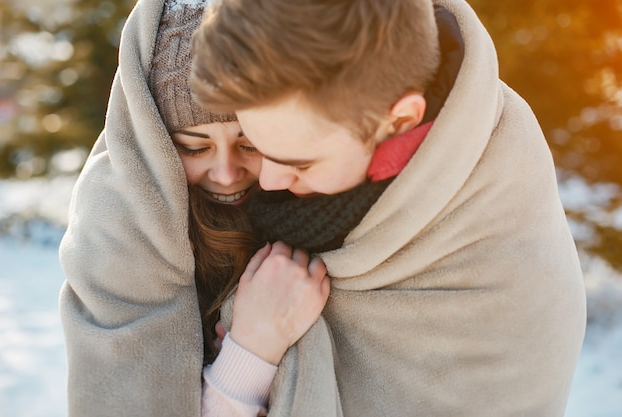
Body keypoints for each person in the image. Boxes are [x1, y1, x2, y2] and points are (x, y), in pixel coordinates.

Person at [190, 0, 587, 416]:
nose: (267, 182)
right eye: (256, 144)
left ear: (398, 121)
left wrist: (249, 354)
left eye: (300, 163)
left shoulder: (492, 292)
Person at [59, 0, 329, 416]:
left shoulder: (333, 207)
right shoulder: (118, 234)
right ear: (155, 140)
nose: (225, 173)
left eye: (250, 144)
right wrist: (252, 350)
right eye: (193, 146)